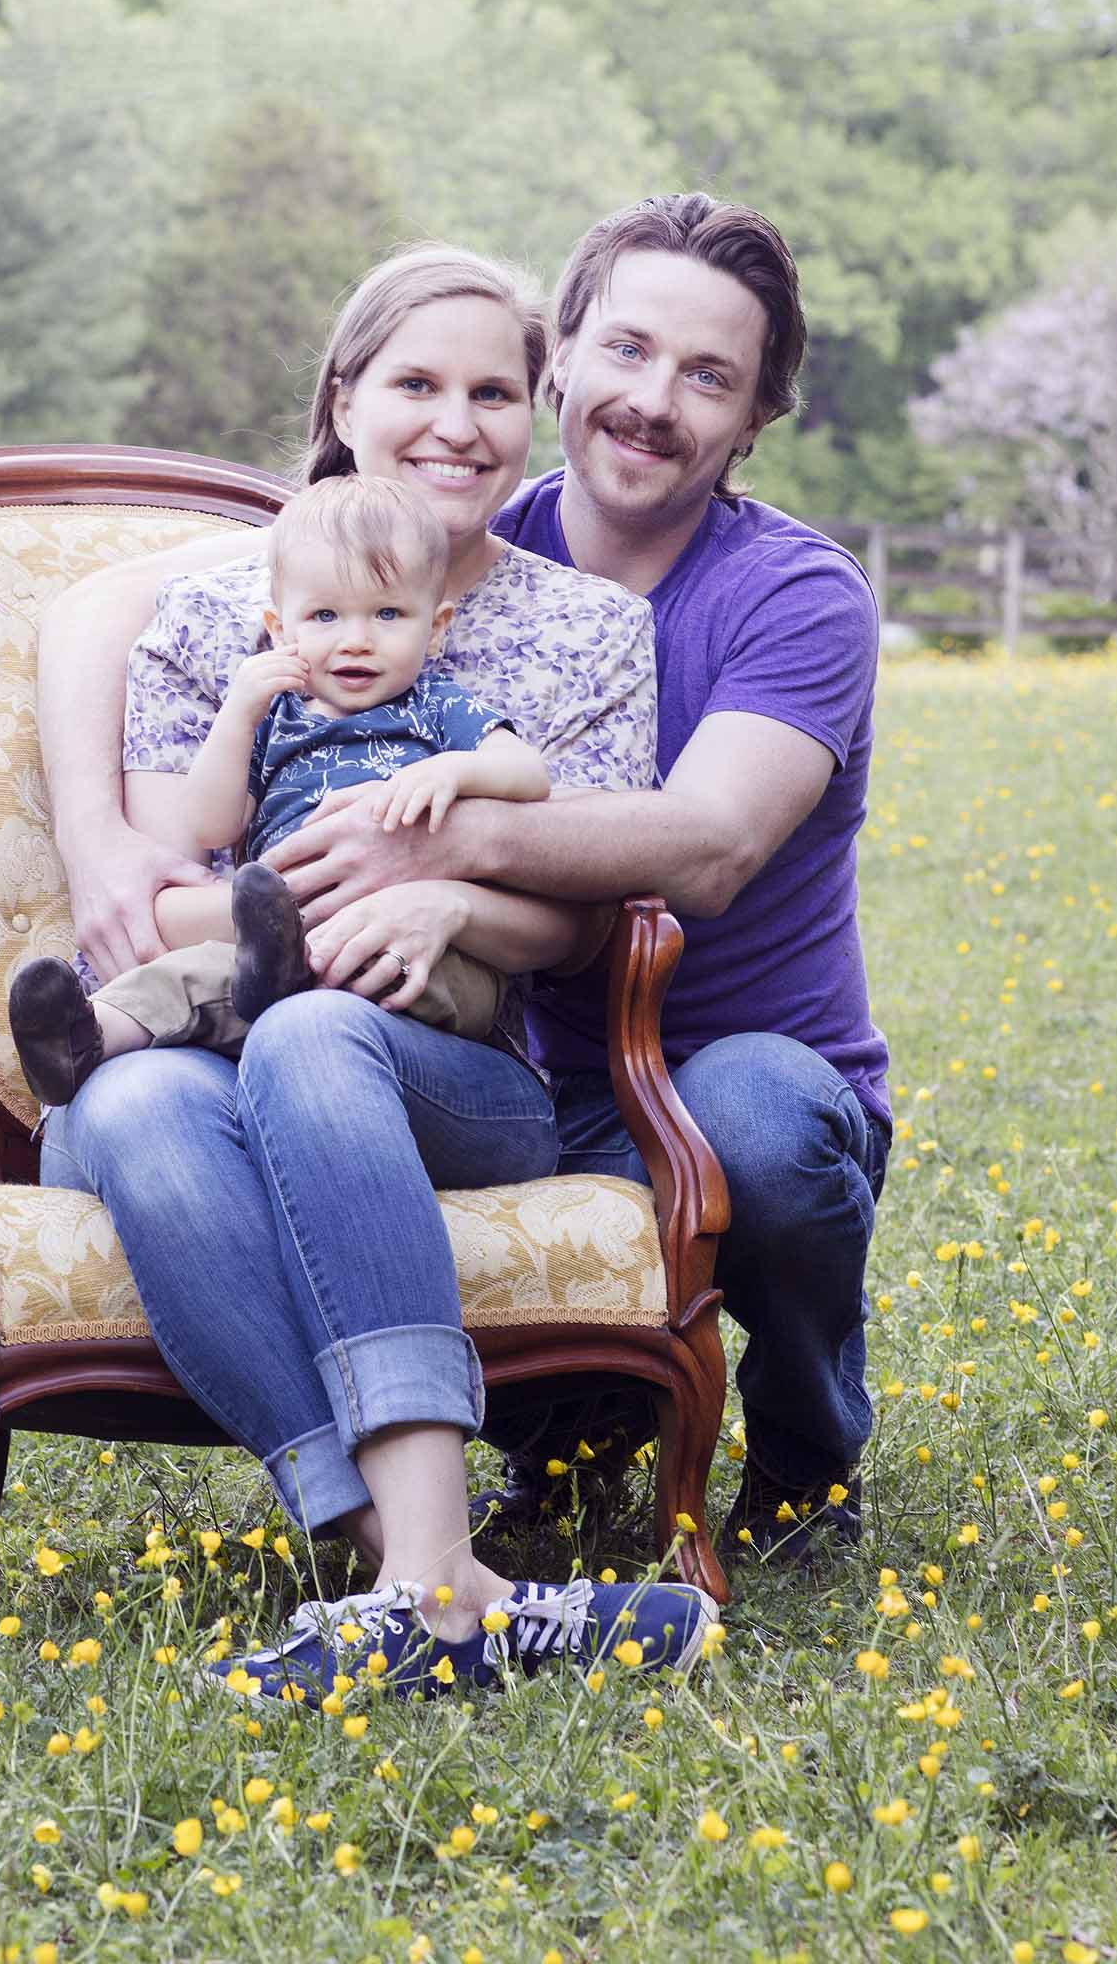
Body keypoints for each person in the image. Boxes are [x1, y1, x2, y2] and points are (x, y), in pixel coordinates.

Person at [35, 242, 712, 1700]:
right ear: (343, 402)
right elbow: (163, 884)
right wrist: (273, 909)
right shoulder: (224, 618)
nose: (454, 425)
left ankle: (423, 1584)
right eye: (415, 385)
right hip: (193, 1037)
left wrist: (446, 894)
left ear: (534, 413)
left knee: (311, 1037)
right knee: (132, 1102)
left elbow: (582, 923)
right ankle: (430, 1581)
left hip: (451, 1064)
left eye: (493, 393)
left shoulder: (588, 630)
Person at [259, 194, 893, 1564]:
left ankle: (805, 1448)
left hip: (732, 1066)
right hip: (508, 1072)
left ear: (756, 418)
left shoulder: (798, 595)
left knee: (758, 1122)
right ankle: (563, 1435)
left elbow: (709, 845)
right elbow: (218, 586)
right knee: (329, 1078)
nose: (652, 401)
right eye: (628, 349)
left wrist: (443, 845)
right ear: (563, 364)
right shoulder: (454, 546)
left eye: (708, 376)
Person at [6, 472, 545, 1103]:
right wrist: (238, 716)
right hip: (288, 943)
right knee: (199, 972)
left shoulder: (435, 707)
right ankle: (88, 1036)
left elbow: (527, 774)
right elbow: (213, 826)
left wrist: (450, 771)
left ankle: (280, 984)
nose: (356, 640)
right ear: (281, 629)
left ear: (435, 628)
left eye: (388, 614)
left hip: (417, 948)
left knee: (342, 974)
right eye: (325, 616)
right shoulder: (275, 721)